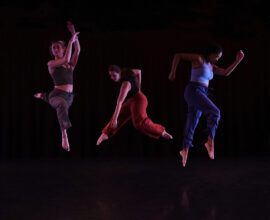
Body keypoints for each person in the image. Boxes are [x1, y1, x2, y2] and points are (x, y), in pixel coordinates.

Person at [168, 44, 244, 167]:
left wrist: (237, 61)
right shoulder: (199, 59)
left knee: (192, 121)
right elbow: (178, 56)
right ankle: (210, 140)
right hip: (193, 91)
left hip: (201, 93)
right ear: (211, 53)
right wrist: (172, 72)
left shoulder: (211, 66)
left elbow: (225, 73)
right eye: (217, 56)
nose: (218, 59)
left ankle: (185, 149)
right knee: (215, 112)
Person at [97, 65, 173, 145]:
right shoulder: (125, 72)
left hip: (139, 100)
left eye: (114, 75)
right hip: (131, 100)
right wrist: (139, 87)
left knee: (138, 124)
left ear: (119, 73)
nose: (112, 78)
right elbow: (138, 71)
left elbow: (119, 102)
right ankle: (105, 134)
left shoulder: (125, 84)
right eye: (111, 76)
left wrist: (115, 119)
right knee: (119, 114)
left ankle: (161, 131)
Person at [34, 21, 81, 151]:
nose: (55, 49)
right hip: (57, 95)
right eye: (53, 47)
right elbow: (65, 59)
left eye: (58, 47)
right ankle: (64, 136)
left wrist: (73, 33)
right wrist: (71, 41)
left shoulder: (70, 65)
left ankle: (43, 96)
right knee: (61, 104)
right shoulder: (51, 64)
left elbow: (78, 50)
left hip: (69, 97)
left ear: (64, 49)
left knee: (63, 104)